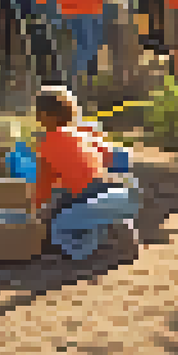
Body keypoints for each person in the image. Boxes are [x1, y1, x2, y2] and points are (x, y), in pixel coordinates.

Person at [31, 86, 134, 260]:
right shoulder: (84, 134)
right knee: (77, 201)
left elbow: (44, 182)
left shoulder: (46, 142)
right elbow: (108, 155)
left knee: (55, 218)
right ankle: (111, 222)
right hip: (108, 186)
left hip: (83, 193)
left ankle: (62, 246)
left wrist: (38, 209)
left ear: (45, 116)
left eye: (37, 113)